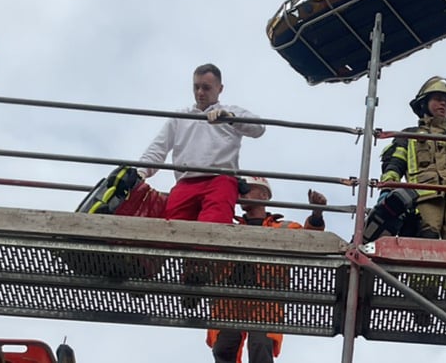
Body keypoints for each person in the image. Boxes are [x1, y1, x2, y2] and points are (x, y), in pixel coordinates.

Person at [379, 76, 446, 324]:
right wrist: (387, 189)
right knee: (426, 246)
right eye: (438, 99)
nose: (443, 105)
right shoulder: (408, 136)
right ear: (424, 103)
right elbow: (394, 164)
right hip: (424, 197)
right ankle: (423, 299)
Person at [207, 177, 327, 363]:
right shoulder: (230, 227)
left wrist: (317, 214)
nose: (241, 195)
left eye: (247, 190)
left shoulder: (283, 228)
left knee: (261, 347)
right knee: (223, 348)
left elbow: (311, 239)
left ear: (264, 195)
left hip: (266, 299)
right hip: (230, 298)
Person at [136, 63, 265, 224]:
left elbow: (259, 128)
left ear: (220, 89)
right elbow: (158, 148)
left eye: (206, 88)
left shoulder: (232, 111)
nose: (200, 93)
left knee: (213, 231)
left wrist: (231, 118)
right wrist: (140, 172)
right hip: (185, 183)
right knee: (172, 234)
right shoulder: (180, 117)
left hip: (220, 181)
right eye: (196, 87)